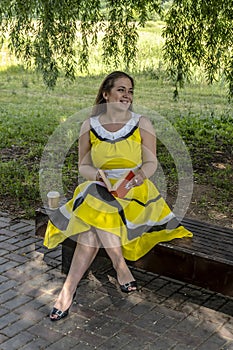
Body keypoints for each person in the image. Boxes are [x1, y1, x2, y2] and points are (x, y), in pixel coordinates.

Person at [43, 71, 193, 321]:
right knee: (95, 207)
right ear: (106, 93)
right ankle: (116, 270)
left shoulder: (141, 122)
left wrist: (139, 177)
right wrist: (98, 176)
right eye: (121, 89)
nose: (127, 95)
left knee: (93, 222)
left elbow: (151, 162)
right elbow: (84, 166)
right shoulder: (89, 125)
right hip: (102, 187)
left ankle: (68, 292)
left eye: (130, 91)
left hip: (135, 190)